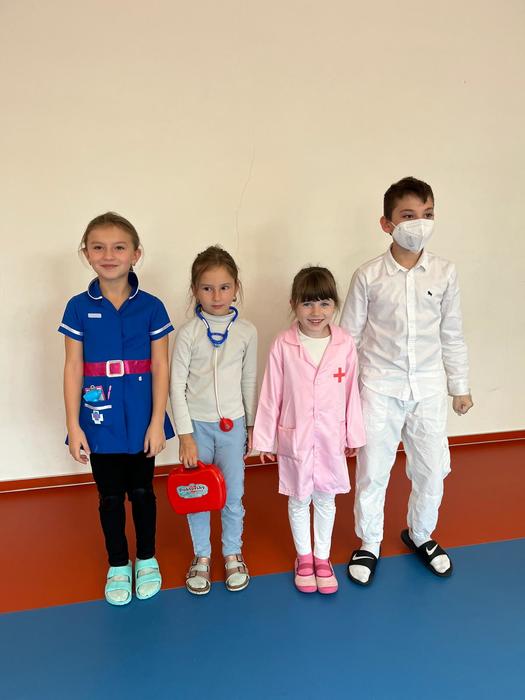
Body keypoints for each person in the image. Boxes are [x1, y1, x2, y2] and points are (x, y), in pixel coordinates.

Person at [341, 176, 473, 586]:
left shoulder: (445, 273)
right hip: (379, 387)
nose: (420, 223)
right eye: (409, 215)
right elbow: (348, 340)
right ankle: (369, 542)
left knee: (432, 468)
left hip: (429, 387)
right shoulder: (368, 276)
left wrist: (459, 386)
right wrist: (343, 397)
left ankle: (421, 534)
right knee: (373, 470)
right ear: (387, 224)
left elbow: (452, 333)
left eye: (427, 214)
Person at [59, 212, 174, 605]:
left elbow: (161, 365)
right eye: (99, 247)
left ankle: (147, 558)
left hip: (142, 416)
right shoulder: (78, 308)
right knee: (109, 496)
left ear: (135, 254)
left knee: (142, 492)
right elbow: (73, 366)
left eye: (119, 247)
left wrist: (157, 421)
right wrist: (74, 425)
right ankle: (118, 563)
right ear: (86, 254)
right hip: (98, 418)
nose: (109, 255)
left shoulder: (152, 307)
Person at [253, 266, 366, 594]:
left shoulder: (344, 344)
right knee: (299, 497)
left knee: (327, 498)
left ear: (335, 305)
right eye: (307, 303)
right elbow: (271, 393)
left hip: (331, 436)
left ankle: (322, 558)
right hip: (297, 435)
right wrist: (266, 439)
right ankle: (304, 558)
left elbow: (352, 392)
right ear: (294, 304)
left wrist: (353, 435)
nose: (316, 312)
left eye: (324, 303)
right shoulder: (283, 344)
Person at [170, 246, 257, 595]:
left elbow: (249, 380)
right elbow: (176, 385)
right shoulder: (188, 333)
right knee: (199, 495)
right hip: (198, 429)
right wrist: (185, 435)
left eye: (224, 287)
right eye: (207, 288)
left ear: (236, 288)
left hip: (232, 428)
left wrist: (250, 426)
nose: (216, 296)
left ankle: (232, 551)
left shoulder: (247, 332)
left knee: (233, 495)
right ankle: (202, 555)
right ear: (195, 290)